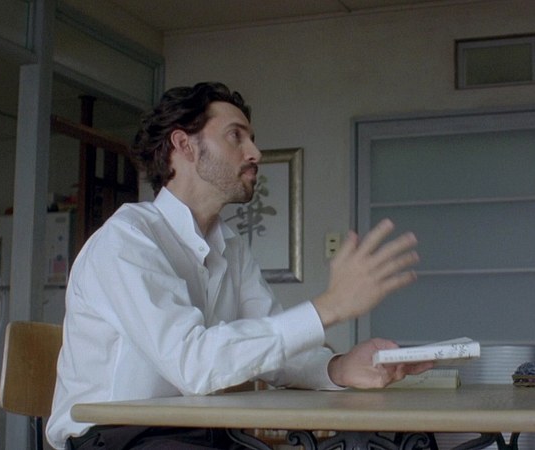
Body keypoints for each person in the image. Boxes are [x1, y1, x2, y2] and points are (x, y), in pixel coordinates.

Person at [46, 82, 432, 449]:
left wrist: (339, 367)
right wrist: (330, 306)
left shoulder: (231, 247)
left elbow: (278, 354)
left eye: (252, 139)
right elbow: (192, 365)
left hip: (202, 430)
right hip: (116, 436)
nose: (255, 153)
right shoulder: (127, 239)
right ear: (184, 145)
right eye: (236, 136)